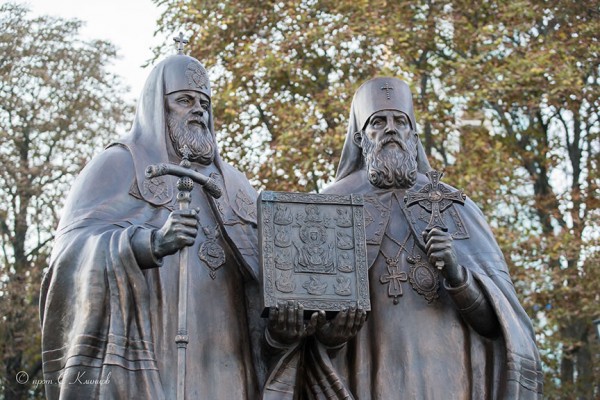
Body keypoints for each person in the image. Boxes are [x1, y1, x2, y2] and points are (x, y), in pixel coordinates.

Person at [40, 51, 263, 399]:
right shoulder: (119, 165)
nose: (199, 110)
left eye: (204, 103)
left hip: (231, 365)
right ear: (157, 106)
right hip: (154, 361)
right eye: (184, 100)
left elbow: (267, 273)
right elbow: (70, 255)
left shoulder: (237, 186)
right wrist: (149, 244)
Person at [315, 77, 543, 399]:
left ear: (414, 135)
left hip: (450, 378)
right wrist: (332, 333)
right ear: (359, 138)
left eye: (401, 121)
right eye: (378, 122)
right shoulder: (330, 206)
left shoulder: (452, 204)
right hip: (366, 376)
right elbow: (311, 324)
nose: (390, 129)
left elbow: (498, 324)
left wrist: (457, 274)